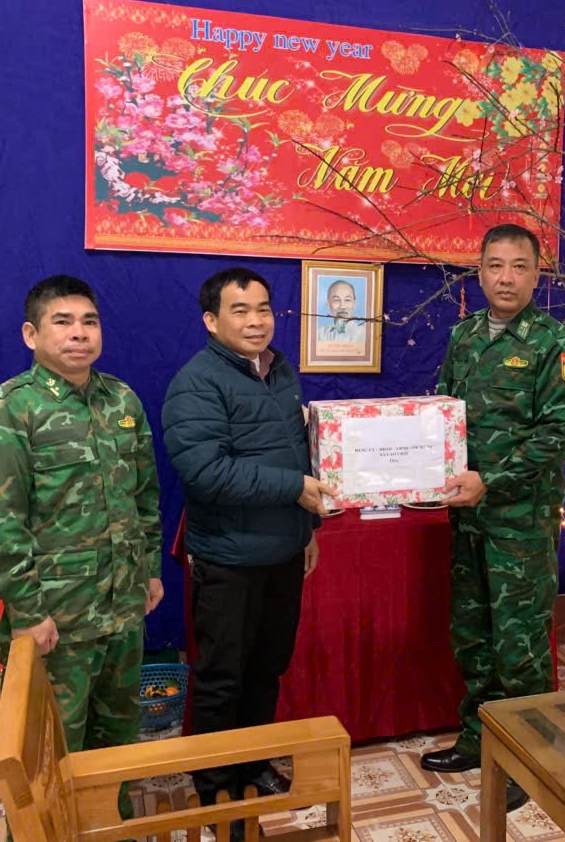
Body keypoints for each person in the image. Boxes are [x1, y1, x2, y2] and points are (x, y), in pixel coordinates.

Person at [0, 275, 163, 766]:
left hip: (123, 607)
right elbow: (1, 527)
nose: (79, 333)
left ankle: (111, 813)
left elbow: (144, 497)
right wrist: (28, 613)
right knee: (50, 752)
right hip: (57, 619)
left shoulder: (122, 401)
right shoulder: (4, 413)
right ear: (31, 334)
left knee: (117, 743)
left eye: (89, 322)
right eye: (63, 322)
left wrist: (151, 570)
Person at [420, 225, 565, 812]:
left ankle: (529, 758)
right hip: (467, 518)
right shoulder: (464, 336)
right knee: (474, 636)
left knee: (519, 645)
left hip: (520, 520)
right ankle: (478, 738)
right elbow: (443, 415)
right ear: (480, 271)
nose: (506, 278)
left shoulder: (555, 344)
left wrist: (490, 480)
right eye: (495, 265)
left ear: (537, 273)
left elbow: (558, 435)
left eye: (519, 266)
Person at [163, 267, 335, 814]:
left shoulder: (279, 371)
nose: (256, 321)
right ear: (211, 321)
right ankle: (217, 788)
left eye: (263, 309)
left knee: (267, 668)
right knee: (222, 678)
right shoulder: (196, 383)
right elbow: (206, 474)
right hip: (228, 558)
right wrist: (295, 489)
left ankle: (253, 764)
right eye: (240, 311)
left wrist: (308, 531)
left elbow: (297, 452)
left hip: (283, 553)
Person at [315, 279, 365, 345]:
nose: (342, 306)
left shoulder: (364, 333)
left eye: (347, 300)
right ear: (328, 304)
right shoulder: (319, 334)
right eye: (336, 300)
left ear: (354, 304)